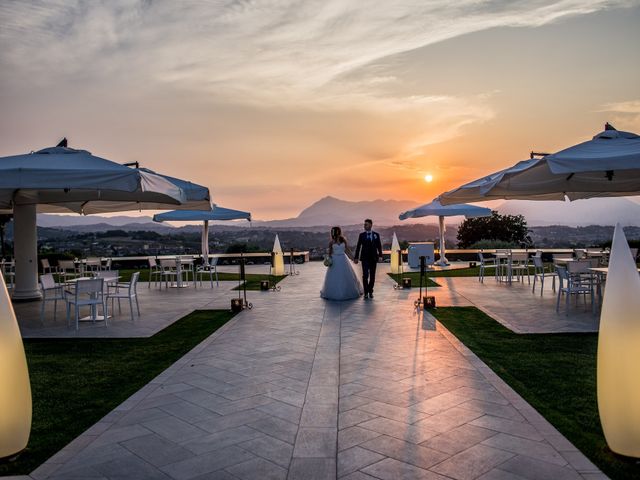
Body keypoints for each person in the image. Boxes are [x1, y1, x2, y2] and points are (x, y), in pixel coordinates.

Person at [320, 226, 363, 301]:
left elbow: (347, 251)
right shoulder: (331, 242)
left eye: (335, 231)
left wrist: (353, 259)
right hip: (335, 260)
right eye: (334, 232)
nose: (334, 233)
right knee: (335, 277)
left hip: (343, 260)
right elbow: (330, 253)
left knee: (345, 276)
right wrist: (328, 260)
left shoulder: (343, 240)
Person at [354, 218, 383, 299]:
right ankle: (366, 292)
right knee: (365, 275)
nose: (364, 226)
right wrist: (356, 257)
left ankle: (370, 291)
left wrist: (380, 256)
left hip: (373, 258)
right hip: (365, 258)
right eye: (364, 224)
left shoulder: (376, 235)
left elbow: (379, 246)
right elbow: (358, 247)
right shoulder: (361, 235)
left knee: (372, 276)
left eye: (366, 224)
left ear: (370, 225)